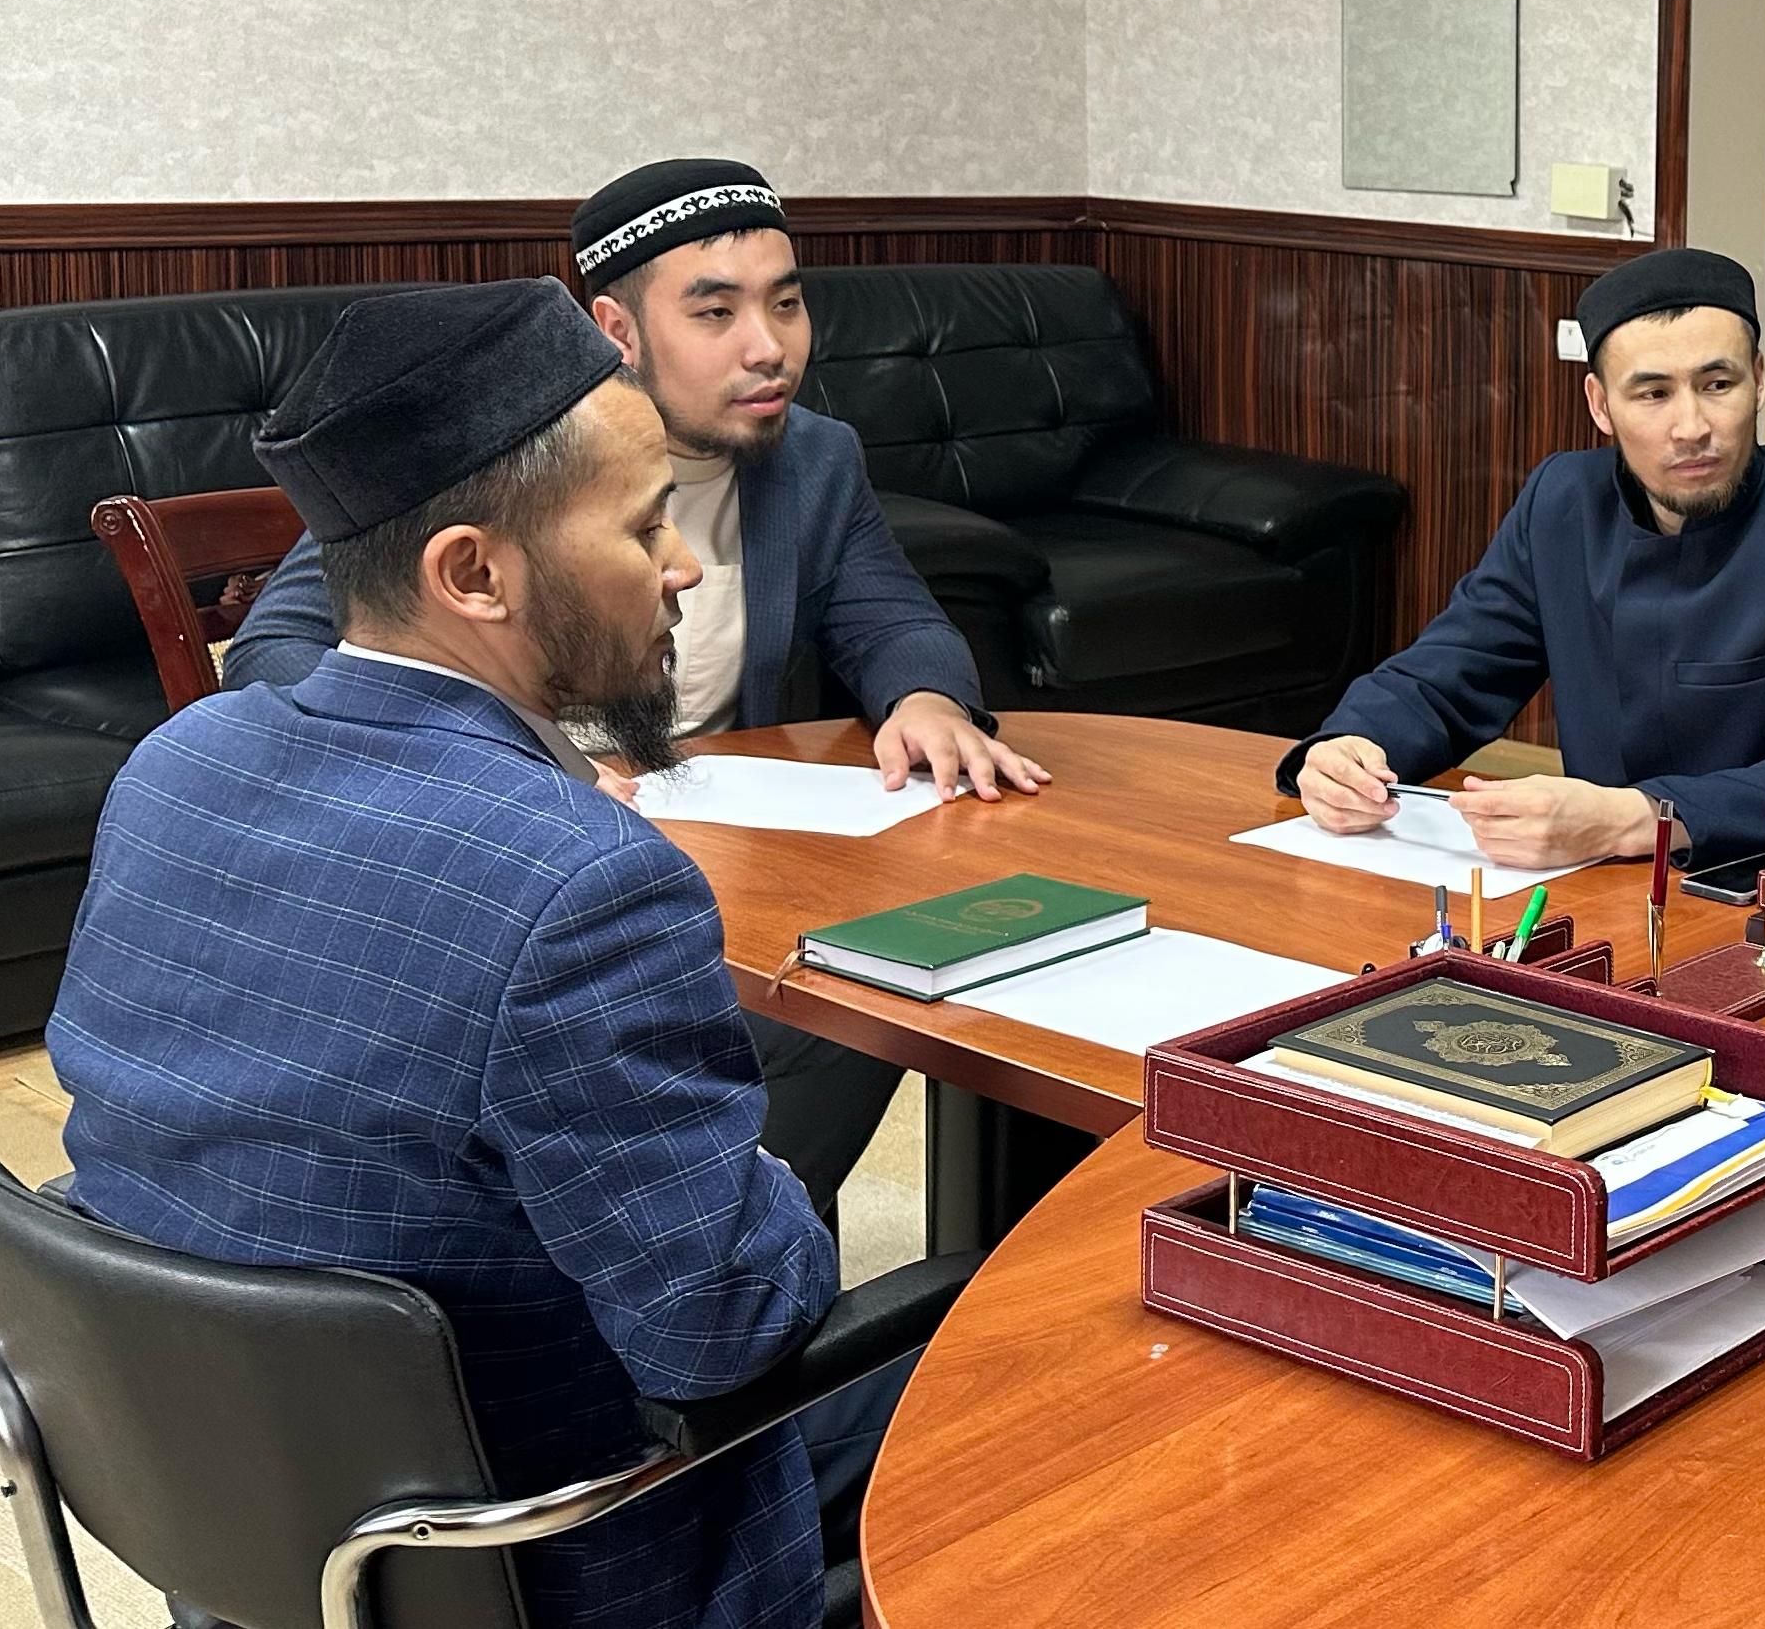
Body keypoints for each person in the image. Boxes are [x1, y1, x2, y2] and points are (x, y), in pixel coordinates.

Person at [51, 281, 913, 1629]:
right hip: (554, 1558)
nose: (683, 568)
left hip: (245, 1536)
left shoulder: (176, 764)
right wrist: (767, 1184)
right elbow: (726, 1326)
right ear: (473, 574)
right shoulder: (583, 882)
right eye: (645, 526)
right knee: (1019, 1342)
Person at [228, 158, 1046, 1220]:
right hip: (512, 860)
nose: (768, 346)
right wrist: (500, 771)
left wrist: (925, 698)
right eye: (715, 312)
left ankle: (736, 1231)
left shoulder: (815, 459)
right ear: (616, 329)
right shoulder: (499, 452)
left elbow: (891, 614)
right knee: (814, 1021)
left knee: (888, 973)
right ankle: (712, 1241)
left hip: (718, 852)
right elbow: (278, 648)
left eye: (786, 303)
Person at [1277, 247, 1765, 874]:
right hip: (1582, 880)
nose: (1691, 427)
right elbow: (1453, 671)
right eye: (1653, 393)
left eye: (1718, 385)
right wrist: (1350, 747)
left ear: (1759, 380)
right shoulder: (1563, 500)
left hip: (1753, 884)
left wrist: (1636, 818)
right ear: (1600, 405)